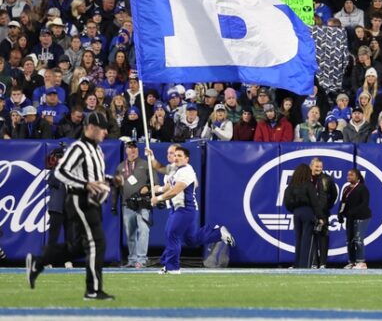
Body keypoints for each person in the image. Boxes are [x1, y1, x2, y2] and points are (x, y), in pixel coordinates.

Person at [27, 112, 114, 300]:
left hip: (92, 200)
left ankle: (39, 262)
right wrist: (85, 185)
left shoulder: (97, 150)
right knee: (97, 243)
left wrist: (112, 180)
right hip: (79, 199)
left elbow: (96, 178)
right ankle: (93, 290)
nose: (106, 132)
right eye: (102, 128)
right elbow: (60, 172)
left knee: (83, 246)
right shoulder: (79, 148)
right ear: (90, 128)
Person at [150, 146, 235, 274]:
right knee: (191, 240)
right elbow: (166, 180)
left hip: (185, 209)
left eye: (179, 156)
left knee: (172, 233)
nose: (176, 157)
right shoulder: (176, 170)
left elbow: (176, 190)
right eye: (175, 155)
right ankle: (218, 233)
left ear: (187, 159)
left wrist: (159, 198)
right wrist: (160, 188)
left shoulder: (186, 171)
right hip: (177, 208)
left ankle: (172, 267)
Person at [113, 140, 151, 268]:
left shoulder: (146, 164)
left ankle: (142, 259)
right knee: (130, 233)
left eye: (135, 148)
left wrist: (148, 187)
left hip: (142, 204)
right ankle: (133, 259)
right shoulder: (120, 167)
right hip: (127, 204)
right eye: (130, 148)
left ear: (138, 150)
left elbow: (154, 183)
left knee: (144, 230)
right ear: (126, 150)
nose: (133, 150)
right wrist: (114, 204)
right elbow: (116, 187)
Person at [284, 163, 317, 269]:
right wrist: (320, 216)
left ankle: (297, 264)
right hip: (308, 212)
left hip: (296, 213)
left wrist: (294, 210)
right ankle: (305, 265)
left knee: (298, 239)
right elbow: (314, 202)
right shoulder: (309, 185)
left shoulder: (290, 186)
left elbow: (287, 202)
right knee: (307, 239)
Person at [339, 168, 371, 269]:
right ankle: (352, 261)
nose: (349, 176)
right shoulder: (346, 189)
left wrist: (353, 211)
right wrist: (340, 213)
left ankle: (361, 262)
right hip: (350, 218)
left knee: (358, 239)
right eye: (348, 175)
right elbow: (343, 203)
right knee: (349, 241)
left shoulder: (362, 188)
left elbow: (364, 204)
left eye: (351, 175)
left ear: (357, 177)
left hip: (361, 217)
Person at [309, 158, 339, 269]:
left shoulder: (327, 179)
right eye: (317, 167)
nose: (319, 169)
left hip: (323, 213)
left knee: (323, 238)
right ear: (311, 166)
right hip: (310, 213)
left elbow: (334, 195)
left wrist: (327, 206)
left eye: (320, 167)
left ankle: (322, 263)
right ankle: (313, 262)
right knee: (311, 238)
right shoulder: (306, 179)